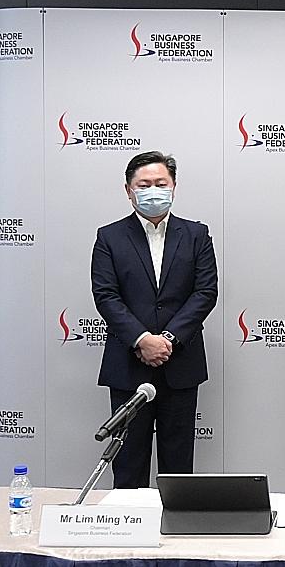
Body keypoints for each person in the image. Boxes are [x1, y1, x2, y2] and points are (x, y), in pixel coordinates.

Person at [91, 150, 218, 488]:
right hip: (128, 365)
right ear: (128, 190)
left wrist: (168, 340)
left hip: (181, 364)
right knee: (128, 465)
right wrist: (142, 340)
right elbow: (106, 296)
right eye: (143, 184)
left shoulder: (197, 235)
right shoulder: (109, 237)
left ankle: (176, 537)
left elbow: (205, 293)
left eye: (160, 183)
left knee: (178, 470)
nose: (153, 190)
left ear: (174, 186)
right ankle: (127, 535)